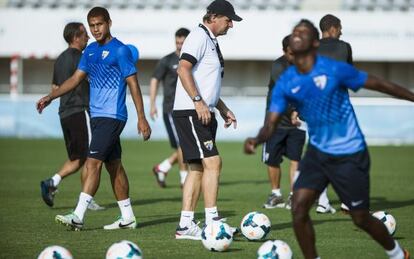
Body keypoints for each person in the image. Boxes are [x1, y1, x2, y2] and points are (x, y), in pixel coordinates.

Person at [244, 19, 412, 259]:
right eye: (294, 31)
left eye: (302, 31)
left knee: (360, 217)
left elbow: (380, 84)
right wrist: (256, 139)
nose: (296, 34)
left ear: (314, 42)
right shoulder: (287, 81)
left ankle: (397, 254)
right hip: (318, 153)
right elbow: (270, 123)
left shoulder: (333, 69)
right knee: (299, 208)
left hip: (350, 154)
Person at [36, 6, 151, 231]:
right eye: (92, 25)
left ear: (109, 22)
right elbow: (75, 79)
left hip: (113, 116)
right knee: (114, 166)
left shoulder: (120, 50)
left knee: (92, 163)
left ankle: (78, 215)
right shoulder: (89, 52)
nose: (96, 29)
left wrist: (142, 118)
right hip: (96, 116)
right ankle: (128, 217)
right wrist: (51, 96)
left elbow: (133, 84)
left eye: (99, 24)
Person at [172, 0, 241, 240]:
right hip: (192, 111)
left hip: (202, 110)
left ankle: (185, 225)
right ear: (214, 17)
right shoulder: (198, 37)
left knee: (197, 168)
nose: (231, 24)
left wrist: (221, 108)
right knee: (214, 163)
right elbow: (183, 69)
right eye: (228, 19)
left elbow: (206, 81)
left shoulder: (211, 40)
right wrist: (199, 101)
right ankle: (213, 223)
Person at [39, 22, 104, 211]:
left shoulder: (60, 59)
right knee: (91, 156)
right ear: (76, 37)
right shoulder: (82, 58)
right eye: (85, 34)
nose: (88, 37)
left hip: (65, 113)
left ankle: (52, 182)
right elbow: (90, 80)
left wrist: (50, 100)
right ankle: (87, 199)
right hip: (80, 110)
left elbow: (54, 88)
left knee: (78, 158)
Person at [262, 35, 306, 210]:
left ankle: (293, 196)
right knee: (272, 159)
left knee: (296, 158)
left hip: (297, 122)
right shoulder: (278, 65)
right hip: (276, 121)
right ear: (285, 50)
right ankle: (276, 194)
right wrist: (294, 110)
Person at [316, 13, 354, 214]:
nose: (341, 31)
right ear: (332, 28)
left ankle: (323, 201)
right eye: (340, 27)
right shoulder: (344, 47)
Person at [150, 28, 190, 188]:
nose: (180, 45)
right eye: (177, 42)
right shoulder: (167, 60)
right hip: (171, 109)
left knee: (188, 144)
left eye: (182, 42)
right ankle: (183, 178)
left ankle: (163, 167)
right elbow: (154, 80)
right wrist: (152, 104)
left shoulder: (192, 59)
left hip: (188, 108)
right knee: (182, 144)